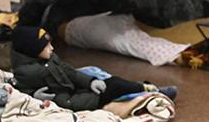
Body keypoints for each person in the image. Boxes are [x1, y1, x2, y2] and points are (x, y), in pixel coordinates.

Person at [10, 26, 177, 110]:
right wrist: (34, 97)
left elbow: (69, 71)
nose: (52, 48)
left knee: (94, 73)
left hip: (72, 88)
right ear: (33, 50)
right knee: (115, 87)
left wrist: (90, 82)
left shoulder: (47, 59)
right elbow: (20, 92)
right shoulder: (28, 72)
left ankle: (142, 88)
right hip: (70, 100)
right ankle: (151, 92)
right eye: (46, 46)